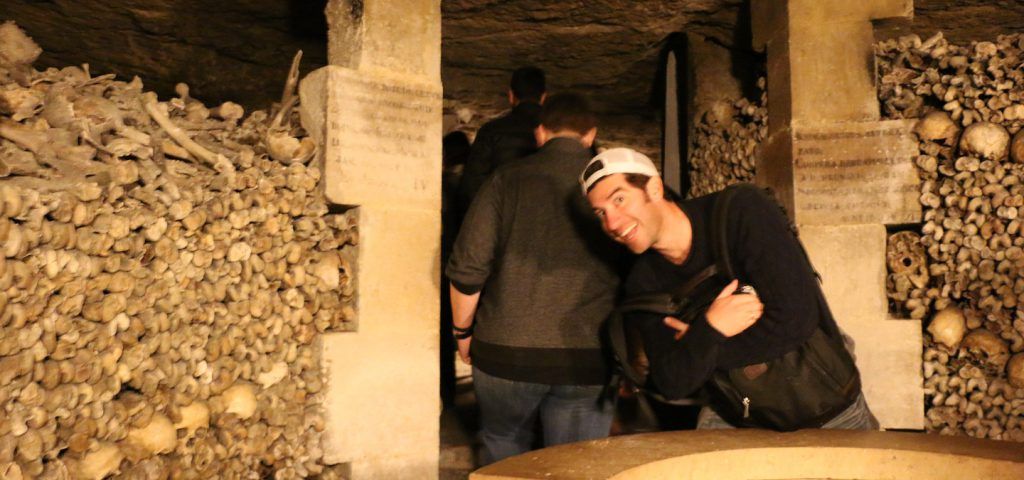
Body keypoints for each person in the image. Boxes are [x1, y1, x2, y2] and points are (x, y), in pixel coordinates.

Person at [580, 147, 879, 430]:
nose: (613, 223)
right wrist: (711, 327)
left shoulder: (739, 211)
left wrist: (697, 347)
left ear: (654, 189)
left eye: (619, 200)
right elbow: (673, 382)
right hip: (740, 415)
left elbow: (795, 321)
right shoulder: (643, 281)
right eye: (600, 213)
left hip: (824, 402)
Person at [446, 94, 623, 464]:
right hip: (588, 357)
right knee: (576, 464)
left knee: (504, 447)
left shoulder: (505, 180)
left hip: (505, 352)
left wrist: (462, 333)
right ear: (590, 135)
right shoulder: (616, 193)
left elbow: (467, 269)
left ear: (541, 133)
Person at [457, 66, 546, 214]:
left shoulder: (491, 131)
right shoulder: (557, 132)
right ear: (543, 97)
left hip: (502, 218)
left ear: (511, 96)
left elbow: (471, 187)